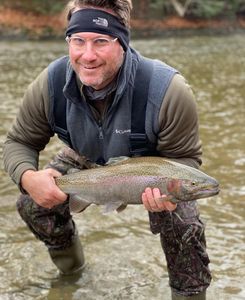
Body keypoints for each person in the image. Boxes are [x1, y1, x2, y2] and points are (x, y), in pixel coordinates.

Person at [3, 1, 211, 299]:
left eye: (101, 41)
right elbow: (18, 142)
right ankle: (71, 277)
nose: (87, 55)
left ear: (123, 42)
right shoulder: (49, 84)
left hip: (153, 165)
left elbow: (186, 160)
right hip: (84, 156)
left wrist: (166, 195)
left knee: (186, 226)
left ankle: (189, 295)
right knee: (32, 203)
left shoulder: (168, 90)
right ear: (68, 42)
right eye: (78, 41)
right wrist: (26, 177)